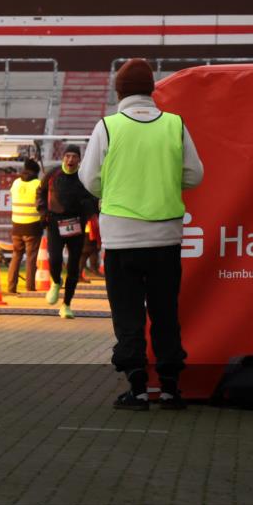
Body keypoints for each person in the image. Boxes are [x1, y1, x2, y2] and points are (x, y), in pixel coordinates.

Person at [79, 58, 204, 411]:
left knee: (128, 314)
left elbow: (89, 179)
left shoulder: (107, 127)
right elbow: (195, 176)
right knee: (165, 312)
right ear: (151, 90)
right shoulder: (175, 125)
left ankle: (136, 387)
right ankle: (169, 387)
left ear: (119, 91)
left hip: (121, 239)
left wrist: (115, 188)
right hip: (166, 237)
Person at [36, 145, 97, 319]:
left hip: (77, 224)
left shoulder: (84, 177)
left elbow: (94, 197)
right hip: (55, 223)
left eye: (74, 157)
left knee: (73, 267)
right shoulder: (53, 174)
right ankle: (56, 282)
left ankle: (66, 304)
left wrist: (87, 209)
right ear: (63, 158)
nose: (70, 160)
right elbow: (40, 192)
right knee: (54, 259)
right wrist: (43, 212)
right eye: (68, 156)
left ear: (79, 159)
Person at [6, 159, 44, 294]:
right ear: (37, 172)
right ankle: (30, 287)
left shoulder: (16, 183)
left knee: (16, 256)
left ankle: (11, 288)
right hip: (33, 227)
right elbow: (42, 203)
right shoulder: (38, 184)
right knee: (31, 257)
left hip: (16, 226)